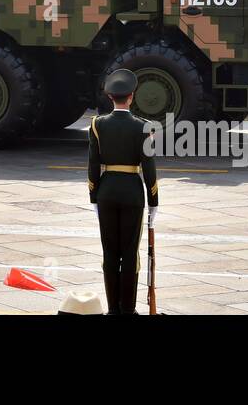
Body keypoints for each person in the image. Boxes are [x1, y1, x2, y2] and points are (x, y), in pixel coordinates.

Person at [87, 69, 159, 314]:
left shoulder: (97, 125)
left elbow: (93, 164)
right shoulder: (143, 127)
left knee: (109, 252)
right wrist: (154, 201)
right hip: (132, 193)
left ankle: (112, 309)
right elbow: (148, 166)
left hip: (106, 192)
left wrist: (93, 196)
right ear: (131, 96)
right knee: (130, 254)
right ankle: (127, 309)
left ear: (110, 97)